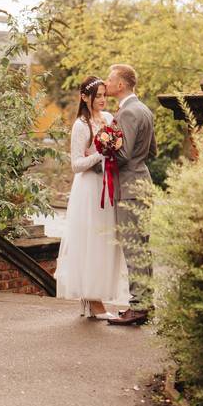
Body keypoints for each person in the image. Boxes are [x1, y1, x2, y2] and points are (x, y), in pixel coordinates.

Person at [54, 76, 131, 320]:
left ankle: (97, 297)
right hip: (88, 189)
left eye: (104, 95)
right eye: (97, 96)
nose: (102, 100)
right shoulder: (80, 125)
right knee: (90, 241)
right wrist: (101, 154)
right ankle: (93, 301)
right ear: (85, 98)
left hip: (107, 186)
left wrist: (112, 151)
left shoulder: (109, 119)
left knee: (106, 241)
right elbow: (76, 164)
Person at [103, 63, 157, 326]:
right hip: (143, 182)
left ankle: (138, 307)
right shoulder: (144, 109)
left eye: (110, 79)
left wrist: (105, 147)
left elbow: (122, 155)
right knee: (142, 247)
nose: (107, 82)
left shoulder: (127, 113)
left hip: (129, 187)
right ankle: (146, 303)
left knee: (133, 248)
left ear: (121, 85)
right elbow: (152, 151)